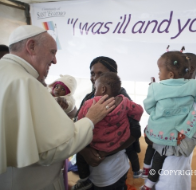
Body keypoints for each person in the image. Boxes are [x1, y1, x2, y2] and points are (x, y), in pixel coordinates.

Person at [0, 25, 115, 189]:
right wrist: (90, 119)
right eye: (52, 52)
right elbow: (52, 149)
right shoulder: (25, 82)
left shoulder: (8, 74)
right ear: (31, 46)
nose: (55, 60)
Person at [141, 51, 196, 190]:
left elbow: (185, 144)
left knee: (157, 156)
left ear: (190, 69)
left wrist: (155, 133)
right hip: (165, 168)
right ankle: (148, 176)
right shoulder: (192, 91)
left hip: (173, 178)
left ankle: (148, 176)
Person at [75, 56, 142, 190]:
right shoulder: (89, 98)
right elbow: (77, 125)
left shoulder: (121, 100)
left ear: (113, 75)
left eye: (101, 73)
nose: (94, 77)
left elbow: (135, 132)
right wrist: (84, 151)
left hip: (113, 172)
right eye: (92, 73)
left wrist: (104, 153)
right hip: (92, 172)